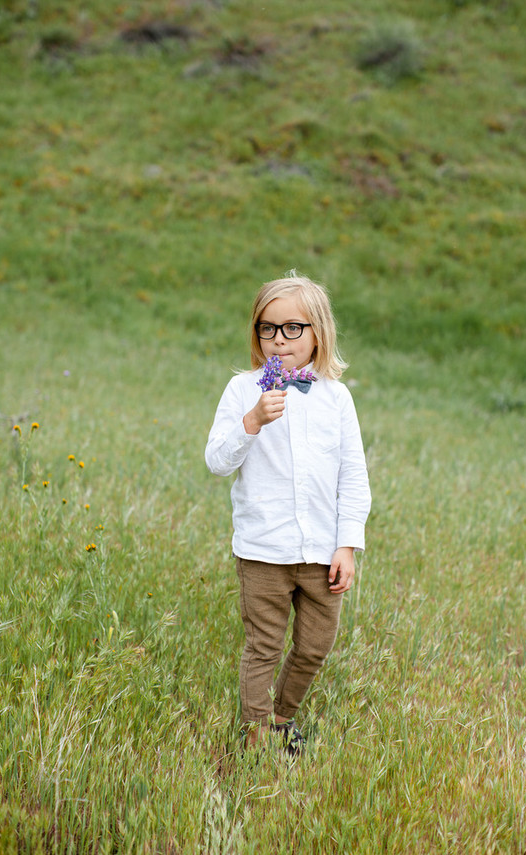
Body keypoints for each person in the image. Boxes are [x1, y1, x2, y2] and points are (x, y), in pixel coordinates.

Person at [205, 272, 371, 756]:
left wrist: (347, 543)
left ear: (318, 331)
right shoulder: (242, 391)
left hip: (322, 550)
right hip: (263, 549)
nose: (279, 338)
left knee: (315, 645)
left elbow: (353, 476)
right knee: (263, 646)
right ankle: (256, 733)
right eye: (267, 328)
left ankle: (283, 717)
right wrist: (252, 422)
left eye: (292, 328)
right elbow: (217, 461)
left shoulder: (337, 398)